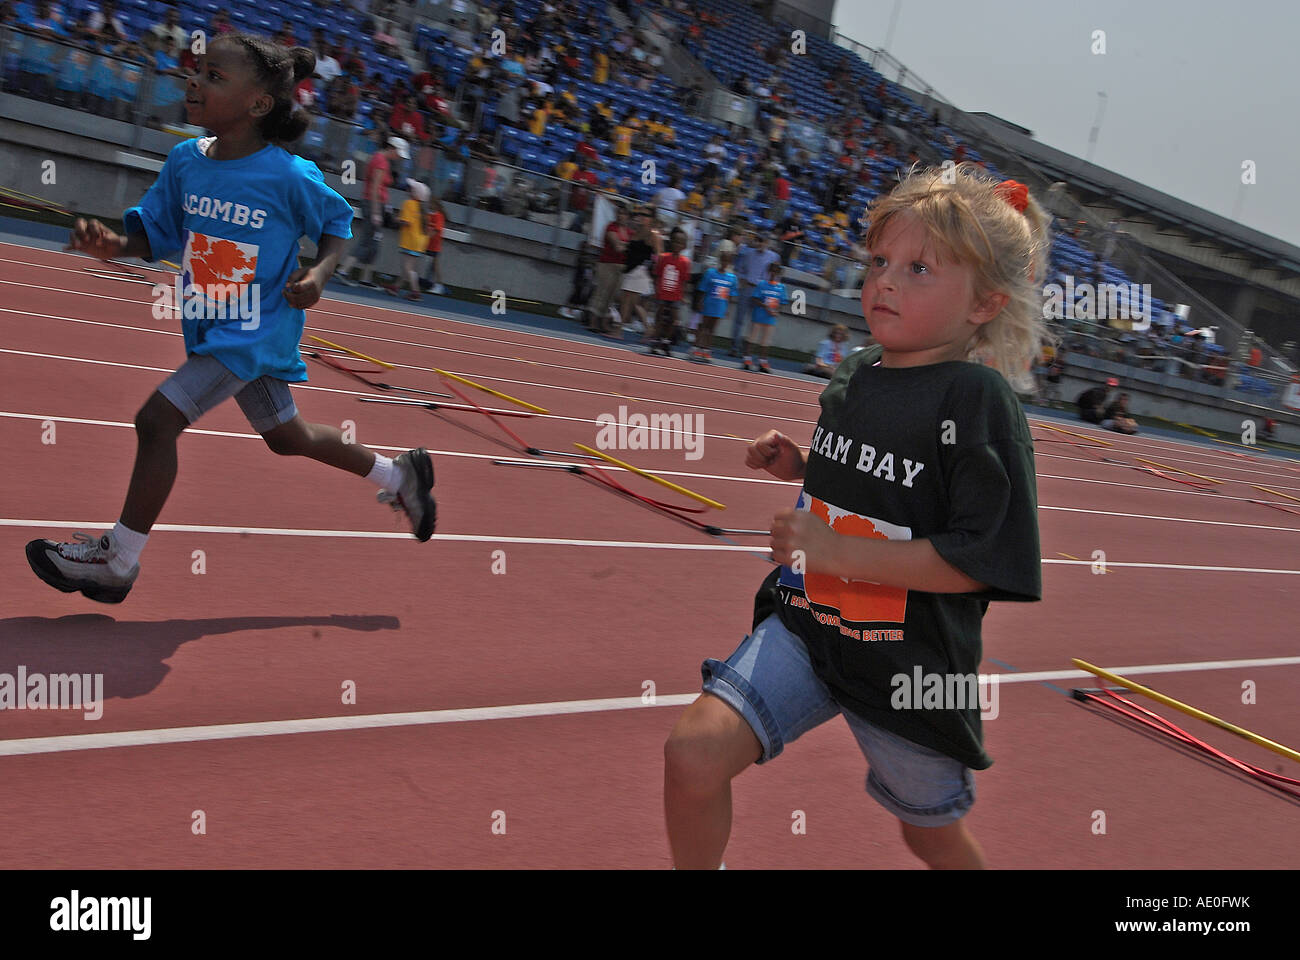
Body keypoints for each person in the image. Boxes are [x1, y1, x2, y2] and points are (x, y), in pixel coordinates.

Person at [663, 165, 1046, 870]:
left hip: (909, 668)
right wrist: (804, 463)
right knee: (692, 755)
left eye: (919, 268)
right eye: (878, 261)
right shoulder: (859, 371)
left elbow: (980, 558)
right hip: (810, 628)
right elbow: (882, 478)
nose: (886, 281)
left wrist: (839, 553)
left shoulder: (976, 400)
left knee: (928, 834)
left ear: (985, 302)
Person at [26, 34, 438, 605]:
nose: (194, 81)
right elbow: (156, 232)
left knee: (156, 422)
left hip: (253, 331)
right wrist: (114, 243)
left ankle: (117, 560)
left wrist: (317, 276)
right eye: (196, 71)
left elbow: (337, 225)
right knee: (286, 438)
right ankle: (400, 476)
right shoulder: (185, 162)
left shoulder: (288, 176)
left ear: (258, 104)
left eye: (214, 76)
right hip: (211, 323)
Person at [334, 135, 410, 286]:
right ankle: (344, 270)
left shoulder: (379, 159)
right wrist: (376, 212)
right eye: (398, 153)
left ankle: (365, 277)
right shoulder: (381, 162)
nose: (399, 158)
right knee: (368, 240)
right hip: (373, 204)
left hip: (375, 204)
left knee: (374, 242)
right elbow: (375, 188)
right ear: (392, 148)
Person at [616, 208, 662, 340]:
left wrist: (654, 273)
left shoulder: (653, 234)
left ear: (652, 218)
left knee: (627, 300)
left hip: (639, 270)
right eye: (641, 214)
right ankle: (648, 329)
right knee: (634, 303)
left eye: (646, 215)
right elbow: (630, 249)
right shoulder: (637, 231)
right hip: (631, 268)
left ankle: (619, 330)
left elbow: (658, 255)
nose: (642, 217)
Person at [384, 178, 429, 302]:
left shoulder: (409, 204)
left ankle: (416, 291)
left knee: (407, 268)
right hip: (419, 241)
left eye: (411, 189)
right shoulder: (423, 208)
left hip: (410, 240)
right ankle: (395, 287)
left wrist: (394, 218)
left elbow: (406, 222)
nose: (408, 190)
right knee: (408, 267)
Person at [648, 227, 690, 357]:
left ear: (684, 246)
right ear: (671, 242)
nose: (677, 245)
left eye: (680, 243)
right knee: (659, 317)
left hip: (675, 295)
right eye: (675, 241)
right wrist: (656, 291)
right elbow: (657, 275)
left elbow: (684, 281)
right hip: (663, 293)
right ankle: (655, 341)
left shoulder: (685, 262)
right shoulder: (663, 258)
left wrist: (682, 295)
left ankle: (666, 341)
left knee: (673, 320)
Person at [589, 203, 631, 333]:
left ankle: (603, 323)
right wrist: (627, 245)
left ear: (628, 216)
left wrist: (624, 245)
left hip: (621, 266)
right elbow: (617, 247)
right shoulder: (611, 227)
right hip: (607, 264)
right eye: (619, 213)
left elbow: (632, 249)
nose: (620, 216)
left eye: (623, 213)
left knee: (611, 296)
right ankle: (593, 322)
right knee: (601, 293)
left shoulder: (630, 231)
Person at [692, 249, 739, 363]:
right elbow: (702, 289)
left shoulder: (732, 278)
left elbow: (731, 295)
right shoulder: (710, 273)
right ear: (720, 260)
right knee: (703, 326)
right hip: (708, 303)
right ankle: (696, 348)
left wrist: (727, 308)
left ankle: (706, 349)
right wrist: (699, 302)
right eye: (723, 260)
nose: (724, 263)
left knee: (712, 329)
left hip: (720, 306)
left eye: (727, 261)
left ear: (730, 263)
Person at [742, 260, 787, 373]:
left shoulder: (781, 287)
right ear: (768, 271)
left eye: (776, 272)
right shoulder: (762, 284)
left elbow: (782, 302)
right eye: (772, 271)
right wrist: (766, 307)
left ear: (779, 273)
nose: (773, 273)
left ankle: (763, 361)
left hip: (770, 318)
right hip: (759, 315)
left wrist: (776, 311)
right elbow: (755, 298)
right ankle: (747, 359)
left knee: (766, 340)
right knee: (752, 337)